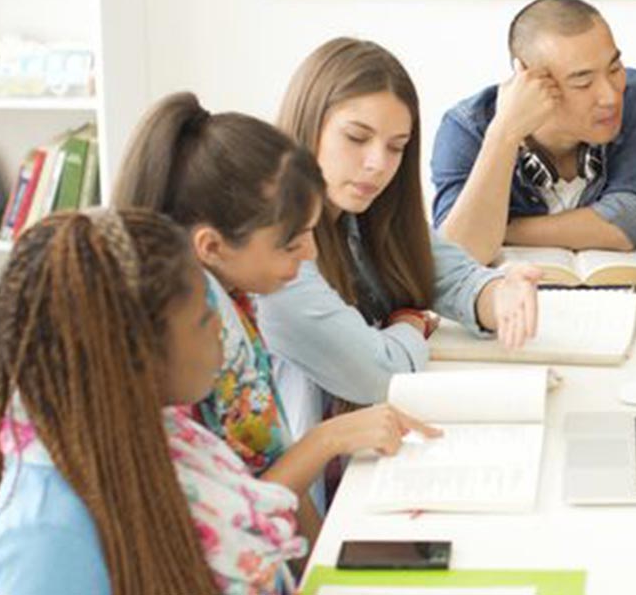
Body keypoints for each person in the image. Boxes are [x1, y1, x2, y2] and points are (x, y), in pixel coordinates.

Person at [115, 92, 443, 536]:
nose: (310, 253)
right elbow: (243, 514)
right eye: (292, 244)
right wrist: (328, 440)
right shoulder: (211, 330)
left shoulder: (228, 297)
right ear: (211, 247)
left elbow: (268, 480)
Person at [0, 210, 308, 594]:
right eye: (205, 317)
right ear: (138, 351)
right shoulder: (44, 541)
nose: (220, 328)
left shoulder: (159, 432)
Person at [258, 38, 541, 435]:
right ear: (308, 124)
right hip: (311, 484)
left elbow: (454, 275)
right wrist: (410, 324)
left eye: (396, 147)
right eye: (356, 138)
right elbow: (377, 374)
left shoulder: (366, 214)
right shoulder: (275, 250)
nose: (377, 164)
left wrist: (500, 296)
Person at [432, 0, 636, 263]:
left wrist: (502, 230)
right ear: (531, 82)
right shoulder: (467, 128)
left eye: (614, 68)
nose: (610, 96)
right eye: (583, 83)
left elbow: (627, 222)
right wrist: (504, 134)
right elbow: (461, 252)